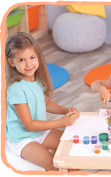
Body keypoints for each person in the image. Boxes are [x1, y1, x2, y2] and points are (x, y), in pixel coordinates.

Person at [5, 32, 80, 171]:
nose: (28, 64)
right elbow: (29, 125)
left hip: (41, 132)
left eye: (32, 57)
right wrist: (61, 122)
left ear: (38, 57)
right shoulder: (16, 89)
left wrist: (65, 110)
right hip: (23, 139)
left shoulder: (37, 80)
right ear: (11, 62)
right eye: (21, 60)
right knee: (54, 166)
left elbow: (47, 103)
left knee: (74, 148)